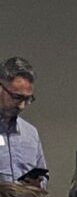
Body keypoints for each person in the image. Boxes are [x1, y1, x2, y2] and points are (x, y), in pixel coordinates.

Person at [0, 56, 47, 187]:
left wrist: (38, 184)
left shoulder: (30, 133)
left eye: (27, 99)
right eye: (16, 97)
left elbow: (43, 178)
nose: (21, 106)